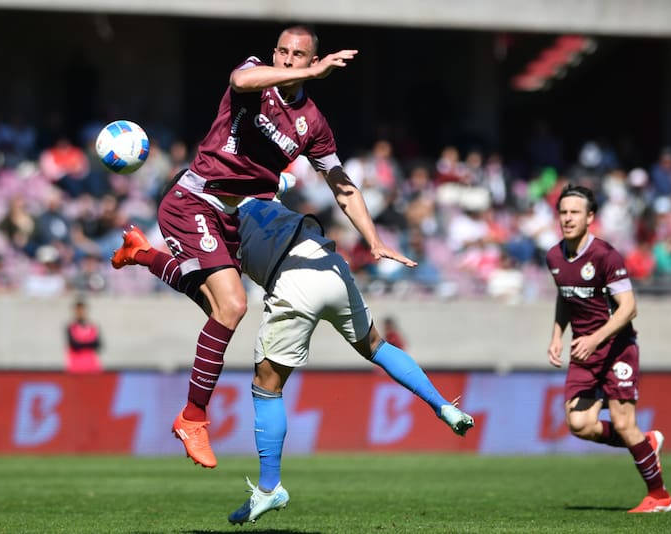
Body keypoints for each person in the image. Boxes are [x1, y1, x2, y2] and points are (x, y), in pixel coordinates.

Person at [110, 24, 415, 470]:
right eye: (283, 52)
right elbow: (240, 81)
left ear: (312, 59)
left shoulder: (312, 123)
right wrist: (312, 73)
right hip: (193, 198)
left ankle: (141, 253)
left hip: (231, 215)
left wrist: (374, 240)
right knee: (232, 306)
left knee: (214, 301)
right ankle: (192, 418)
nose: (288, 60)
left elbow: (342, 186)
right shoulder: (254, 75)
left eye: (299, 55)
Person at [112, 176, 474, 525]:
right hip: (329, 261)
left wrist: (147, 258)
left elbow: (199, 287)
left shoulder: (212, 222)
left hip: (293, 279)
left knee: (266, 386)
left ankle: (270, 488)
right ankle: (442, 405)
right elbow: (283, 180)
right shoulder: (257, 186)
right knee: (376, 346)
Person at [545, 184, 671, 514]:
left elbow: (629, 307)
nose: (568, 218)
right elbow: (566, 296)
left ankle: (659, 497)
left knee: (623, 421)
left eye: (575, 212)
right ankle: (646, 444)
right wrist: (557, 334)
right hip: (583, 352)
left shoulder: (605, 255)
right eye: (563, 212)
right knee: (579, 423)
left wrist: (595, 338)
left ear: (590, 217)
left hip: (616, 347)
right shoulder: (554, 256)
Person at [65, 298, 103, 373]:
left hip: (92, 367)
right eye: (78, 310)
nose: (80, 312)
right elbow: (74, 345)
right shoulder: (70, 327)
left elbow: (98, 345)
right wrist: (89, 342)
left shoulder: (93, 327)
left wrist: (81, 342)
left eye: (82, 310)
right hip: (75, 368)